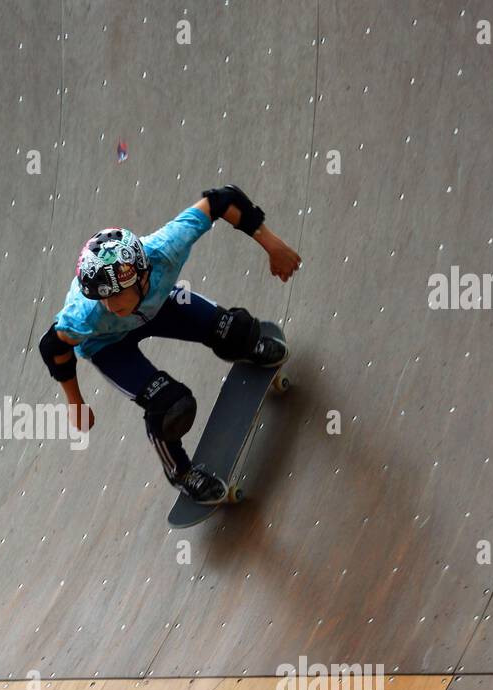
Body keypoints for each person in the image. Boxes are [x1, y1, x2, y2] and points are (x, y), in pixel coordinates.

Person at [37, 184, 302, 503]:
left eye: (116, 295)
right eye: (102, 298)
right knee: (171, 408)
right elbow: (53, 347)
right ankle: (181, 472)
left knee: (237, 331)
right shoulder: (85, 314)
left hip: (159, 305)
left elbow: (222, 200)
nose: (109, 306)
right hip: (107, 345)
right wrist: (75, 402)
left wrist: (272, 244)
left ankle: (244, 347)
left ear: (141, 275)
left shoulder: (165, 248)